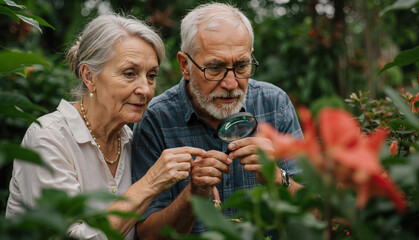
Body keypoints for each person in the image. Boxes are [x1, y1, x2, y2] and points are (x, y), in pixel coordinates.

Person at [5, 14, 206, 240]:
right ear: (89, 76)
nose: (146, 89)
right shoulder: (47, 137)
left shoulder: (130, 141)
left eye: (151, 76)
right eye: (129, 73)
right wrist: (150, 183)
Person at [131, 2, 304, 239]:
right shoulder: (156, 119)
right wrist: (193, 195)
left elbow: (316, 213)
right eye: (215, 68)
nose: (231, 83)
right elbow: (146, 234)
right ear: (185, 65)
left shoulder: (274, 105)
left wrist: (277, 178)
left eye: (242, 65)